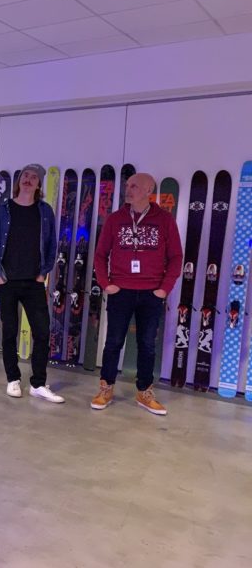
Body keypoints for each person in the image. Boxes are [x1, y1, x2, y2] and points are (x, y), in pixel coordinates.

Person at [91, 172, 183, 415]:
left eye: (134, 186)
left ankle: (144, 392)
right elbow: (100, 255)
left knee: (147, 345)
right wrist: (105, 283)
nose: (128, 189)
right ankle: (105, 387)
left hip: (152, 294)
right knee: (113, 343)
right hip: (120, 291)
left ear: (148, 189)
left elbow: (176, 257)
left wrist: (164, 289)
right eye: (127, 185)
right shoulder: (115, 219)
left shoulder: (164, 220)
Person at [0, 163, 64, 403]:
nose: (29, 179)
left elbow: (52, 245)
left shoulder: (45, 211)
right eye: (25, 176)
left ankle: (38, 383)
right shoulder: (2, 211)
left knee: (42, 331)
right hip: (7, 281)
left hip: (34, 282)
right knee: (9, 332)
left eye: (34, 177)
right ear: (19, 182)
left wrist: (43, 273)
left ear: (39, 184)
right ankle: (13, 379)